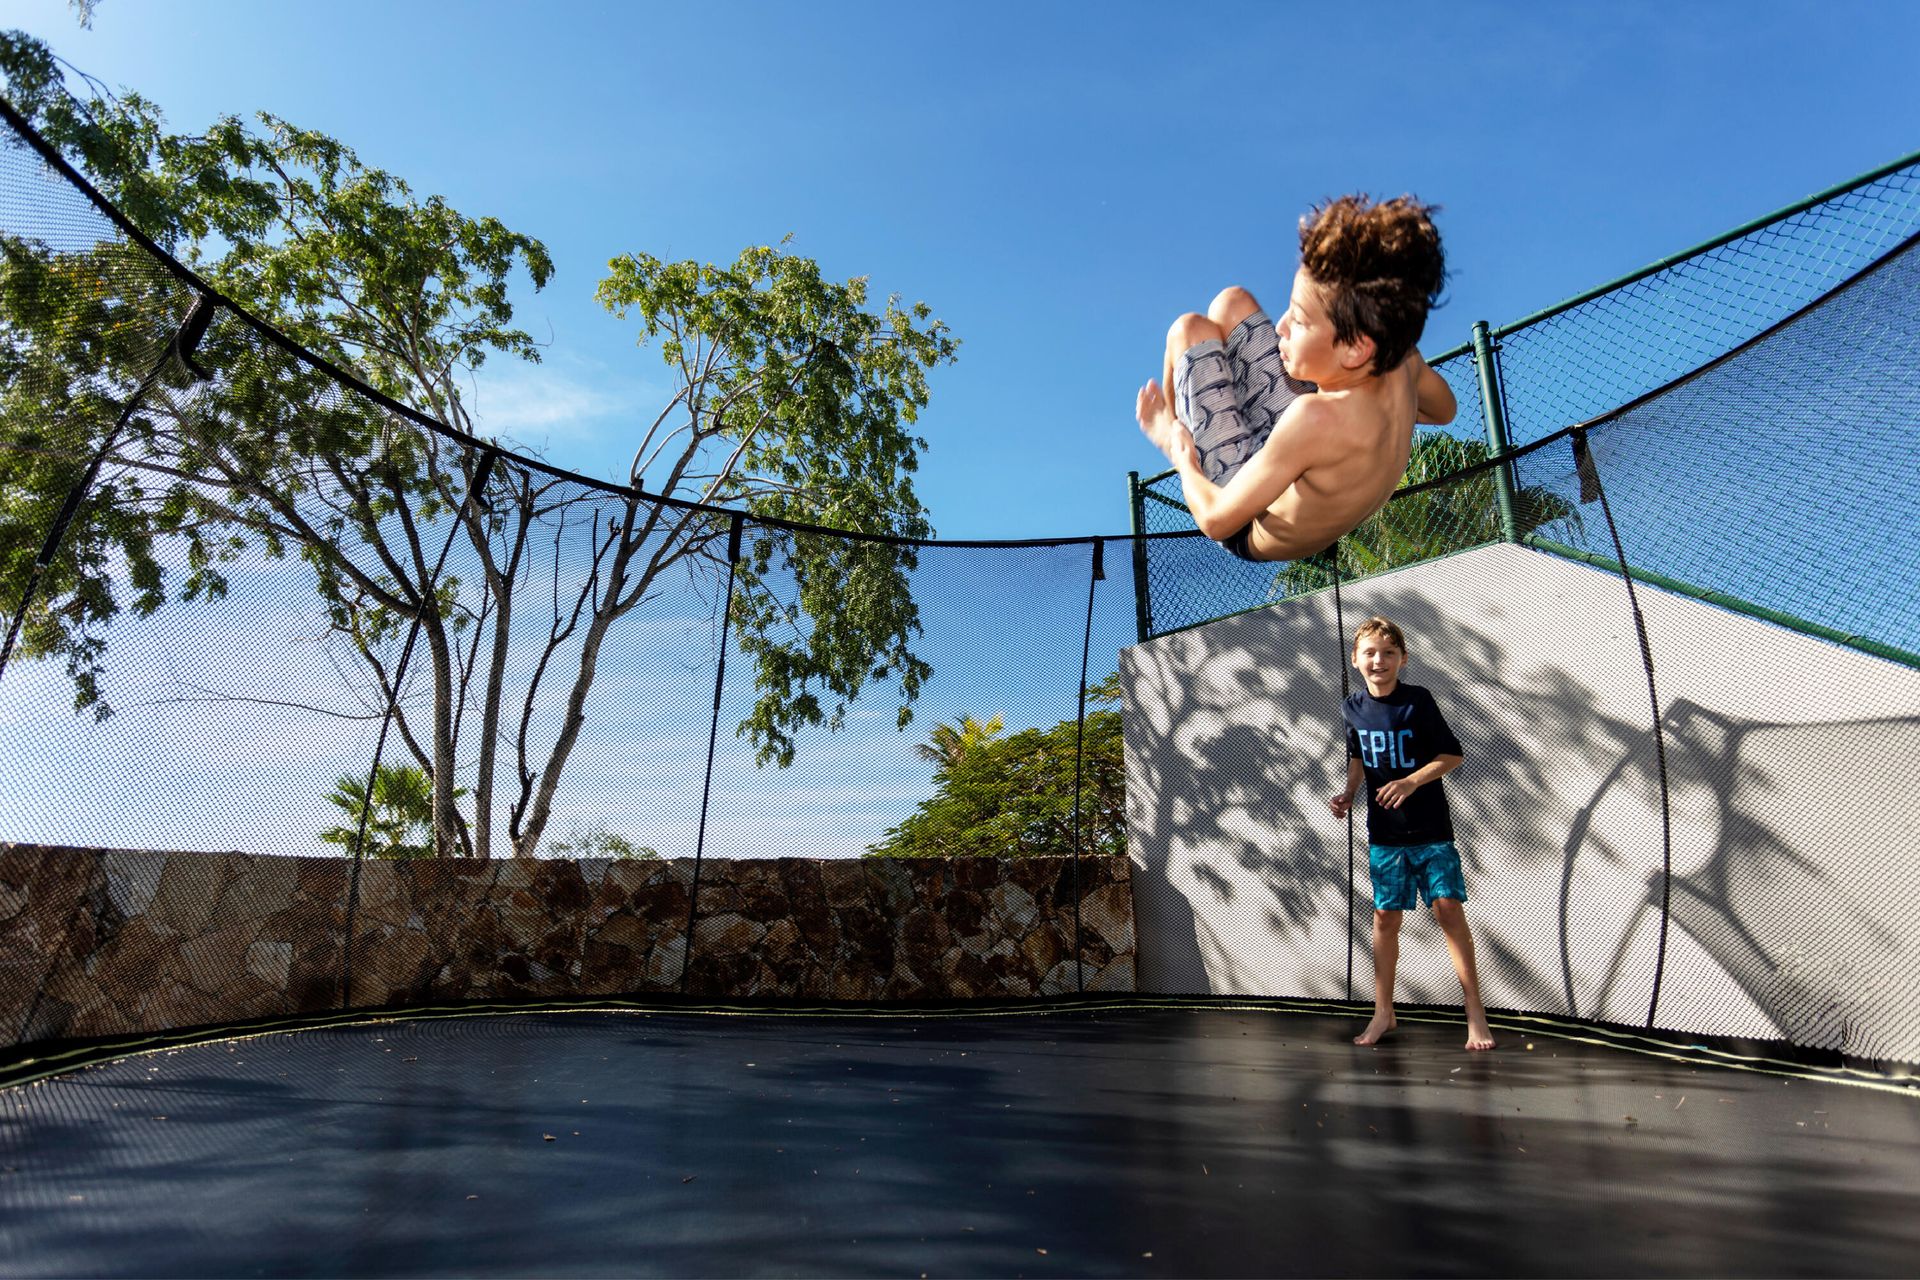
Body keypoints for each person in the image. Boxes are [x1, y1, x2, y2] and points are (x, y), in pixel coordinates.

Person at [1136, 195, 1457, 562]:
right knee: (1231, 302)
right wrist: (1381, 424)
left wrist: (1179, 452)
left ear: (1355, 349)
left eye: (1300, 320)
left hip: (1247, 519)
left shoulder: (1315, 418)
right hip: (1299, 452)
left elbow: (1215, 521)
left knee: (1187, 330)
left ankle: (1176, 429)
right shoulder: (1402, 359)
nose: (1283, 325)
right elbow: (1444, 411)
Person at [1329, 615, 1495, 1051]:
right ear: (1356, 659)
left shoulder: (1417, 701)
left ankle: (1474, 1011)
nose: (1378, 660)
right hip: (1385, 835)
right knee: (1385, 918)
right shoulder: (1351, 708)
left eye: (1388, 653)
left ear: (1402, 659)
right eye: (1369, 653)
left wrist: (1410, 781)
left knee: (1447, 910)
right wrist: (1347, 792)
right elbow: (1357, 757)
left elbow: (1451, 755)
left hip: (1431, 830)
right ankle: (1384, 1012)